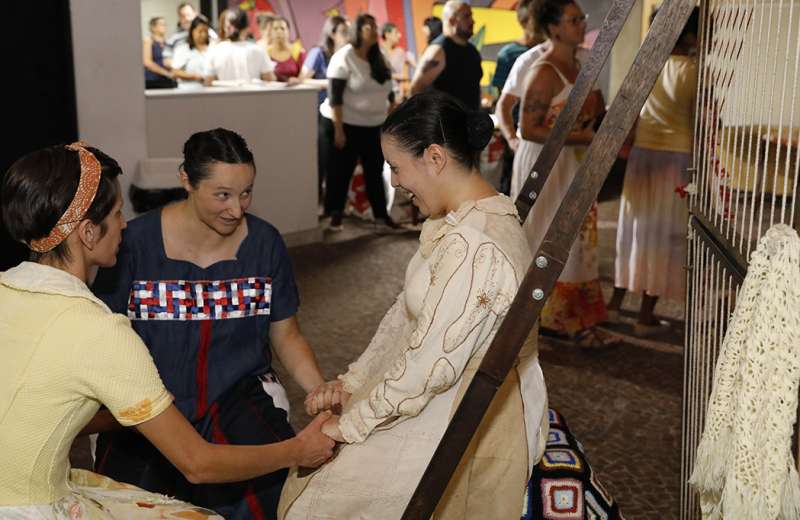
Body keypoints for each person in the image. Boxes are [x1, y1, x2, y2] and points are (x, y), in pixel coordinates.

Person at [0, 142, 334, 519]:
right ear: (89, 234)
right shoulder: (99, 330)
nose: (125, 224)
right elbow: (197, 462)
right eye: (117, 213)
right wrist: (299, 449)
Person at [278, 91, 549, 519]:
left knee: (322, 496)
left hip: (466, 409)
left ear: (435, 158)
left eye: (396, 167)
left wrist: (348, 425)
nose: (394, 182)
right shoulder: (460, 218)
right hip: (438, 385)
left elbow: (428, 369)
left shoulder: (475, 246)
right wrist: (355, 380)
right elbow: (405, 314)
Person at [92, 129, 330, 519]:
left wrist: (318, 387)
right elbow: (104, 342)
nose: (236, 208)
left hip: (236, 399)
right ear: (186, 179)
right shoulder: (132, 243)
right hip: (153, 409)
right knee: (128, 506)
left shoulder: (266, 243)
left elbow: (286, 333)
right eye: (222, 194)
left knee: (276, 500)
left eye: (246, 192)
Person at [510, 0, 619, 349]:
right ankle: (549, 318)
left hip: (571, 162)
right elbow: (529, 128)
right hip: (546, 165)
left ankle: (577, 317)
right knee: (548, 234)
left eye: (581, 17)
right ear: (554, 28)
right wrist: (580, 135)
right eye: (573, 20)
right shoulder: (543, 71)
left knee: (577, 237)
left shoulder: (583, 64)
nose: (582, 24)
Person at [607, 8, 700, 335]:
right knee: (665, 235)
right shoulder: (693, 71)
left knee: (634, 229)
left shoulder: (646, 65)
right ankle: (645, 316)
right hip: (676, 159)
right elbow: (701, 121)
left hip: (642, 157)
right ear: (690, 36)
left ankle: (615, 306)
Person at [323, 13, 398, 231]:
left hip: (374, 125)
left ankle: (381, 216)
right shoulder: (343, 57)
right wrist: (338, 130)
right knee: (341, 172)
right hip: (346, 124)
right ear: (358, 31)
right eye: (369, 27)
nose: (375, 31)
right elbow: (335, 98)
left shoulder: (380, 56)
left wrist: (391, 117)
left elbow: (389, 92)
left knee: (374, 172)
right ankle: (335, 214)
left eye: (375, 27)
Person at [493, 0, 546, 194]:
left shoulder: (553, 52)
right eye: (538, 17)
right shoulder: (510, 54)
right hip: (520, 133)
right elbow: (503, 101)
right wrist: (511, 138)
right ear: (525, 22)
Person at [298, 15, 350, 204]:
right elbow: (302, 79)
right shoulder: (318, 53)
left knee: (333, 159)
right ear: (332, 33)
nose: (348, 36)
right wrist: (329, 84)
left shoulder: (347, 55)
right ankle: (316, 200)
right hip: (314, 110)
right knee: (319, 157)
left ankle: (333, 202)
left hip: (335, 112)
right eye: (344, 32)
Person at [411, 0, 483, 110]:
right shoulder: (438, 52)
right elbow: (416, 89)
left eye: (471, 16)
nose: (472, 21)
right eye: (466, 17)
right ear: (451, 20)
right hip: (446, 125)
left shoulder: (472, 51)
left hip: (470, 124)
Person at [204, 8, 276, 84]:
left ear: (226, 28)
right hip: (252, 95)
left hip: (224, 95)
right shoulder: (258, 50)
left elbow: (209, 81)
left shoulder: (215, 51)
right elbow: (269, 79)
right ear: (247, 28)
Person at [171, 14, 213, 87]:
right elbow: (175, 72)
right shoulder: (182, 49)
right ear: (192, 31)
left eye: (205, 31)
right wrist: (196, 77)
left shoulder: (213, 49)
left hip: (209, 91)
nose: (203, 35)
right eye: (200, 31)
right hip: (188, 92)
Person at [381, 21, 416, 101]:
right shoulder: (378, 52)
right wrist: (398, 76)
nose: (399, 35)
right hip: (382, 96)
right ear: (387, 34)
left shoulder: (400, 52)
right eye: (396, 33)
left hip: (397, 95)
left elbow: (414, 66)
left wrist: (401, 93)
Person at [266, 16, 307, 82]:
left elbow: (305, 77)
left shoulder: (299, 52)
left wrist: (298, 80)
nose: (279, 31)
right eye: (275, 29)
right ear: (270, 32)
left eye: (282, 28)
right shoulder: (266, 53)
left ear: (288, 31)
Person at [143, 16, 174, 88]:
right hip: (153, 80)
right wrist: (165, 73)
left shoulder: (168, 43)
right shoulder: (148, 41)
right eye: (161, 24)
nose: (164, 27)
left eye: (165, 24)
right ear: (153, 27)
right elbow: (147, 62)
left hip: (167, 80)